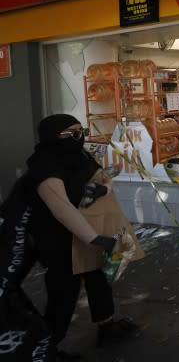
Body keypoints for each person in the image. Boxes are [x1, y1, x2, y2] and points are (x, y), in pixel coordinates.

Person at [19, 114, 138, 359]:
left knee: (99, 280)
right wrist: (94, 238)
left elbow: (102, 176)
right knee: (63, 294)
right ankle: (47, 349)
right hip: (59, 240)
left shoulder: (81, 155)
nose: (79, 137)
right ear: (54, 137)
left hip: (90, 231)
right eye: (72, 134)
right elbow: (61, 208)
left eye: (80, 131)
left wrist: (104, 187)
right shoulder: (45, 164)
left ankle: (106, 325)